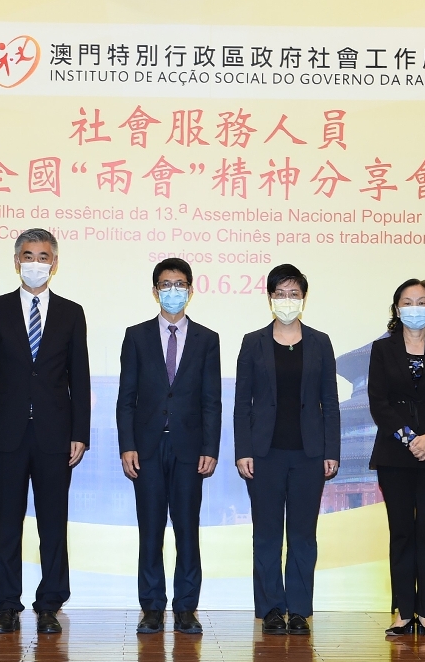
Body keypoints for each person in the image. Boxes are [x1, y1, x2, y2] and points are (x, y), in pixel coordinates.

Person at [0, 229, 91, 635]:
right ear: (16, 261)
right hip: (5, 434)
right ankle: (6, 605)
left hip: (55, 435)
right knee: (6, 522)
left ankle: (50, 604)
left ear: (54, 263)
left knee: (53, 524)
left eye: (43, 256)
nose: (35, 263)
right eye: (28, 255)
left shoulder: (72, 313)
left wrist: (80, 433)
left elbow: (80, 377)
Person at [116, 258, 222, 635]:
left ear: (190, 290)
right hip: (146, 448)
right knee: (151, 531)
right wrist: (127, 445)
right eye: (165, 285)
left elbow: (212, 400)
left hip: (189, 449)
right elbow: (126, 397)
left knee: (187, 530)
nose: (173, 291)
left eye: (179, 284)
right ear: (155, 291)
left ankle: (186, 608)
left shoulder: (207, 339)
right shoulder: (136, 336)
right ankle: (151, 607)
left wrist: (210, 447)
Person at [234, 264, 340, 636]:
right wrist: (243, 449)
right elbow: (242, 403)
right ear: (270, 298)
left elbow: (330, 401)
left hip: (309, 454)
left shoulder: (320, 342)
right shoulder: (253, 342)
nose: (287, 300)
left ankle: (298, 610)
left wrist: (331, 450)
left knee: (302, 536)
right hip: (265, 454)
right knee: (266, 535)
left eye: (294, 294)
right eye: (280, 293)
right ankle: (271, 609)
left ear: (304, 298)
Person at [367, 279, 425, 640]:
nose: (415, 308)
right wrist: (409, 439)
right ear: (397, 309)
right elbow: (379, 401)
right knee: (402, 532)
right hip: (395, 454)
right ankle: (403, 611)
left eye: (422, 302)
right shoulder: (382, 349)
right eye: (407, 302)